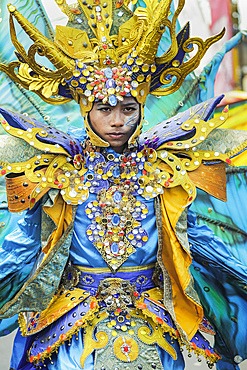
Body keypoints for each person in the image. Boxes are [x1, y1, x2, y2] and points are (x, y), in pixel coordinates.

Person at [0, 1, 247, 370]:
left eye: (128, 109)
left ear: (142, 107)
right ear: (85, 108)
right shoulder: (54, 166)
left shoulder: (170, 164)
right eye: (104, 109)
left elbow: (198, 243)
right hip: (70, 333)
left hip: (153, 327)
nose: (117, 121)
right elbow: (21, 246)